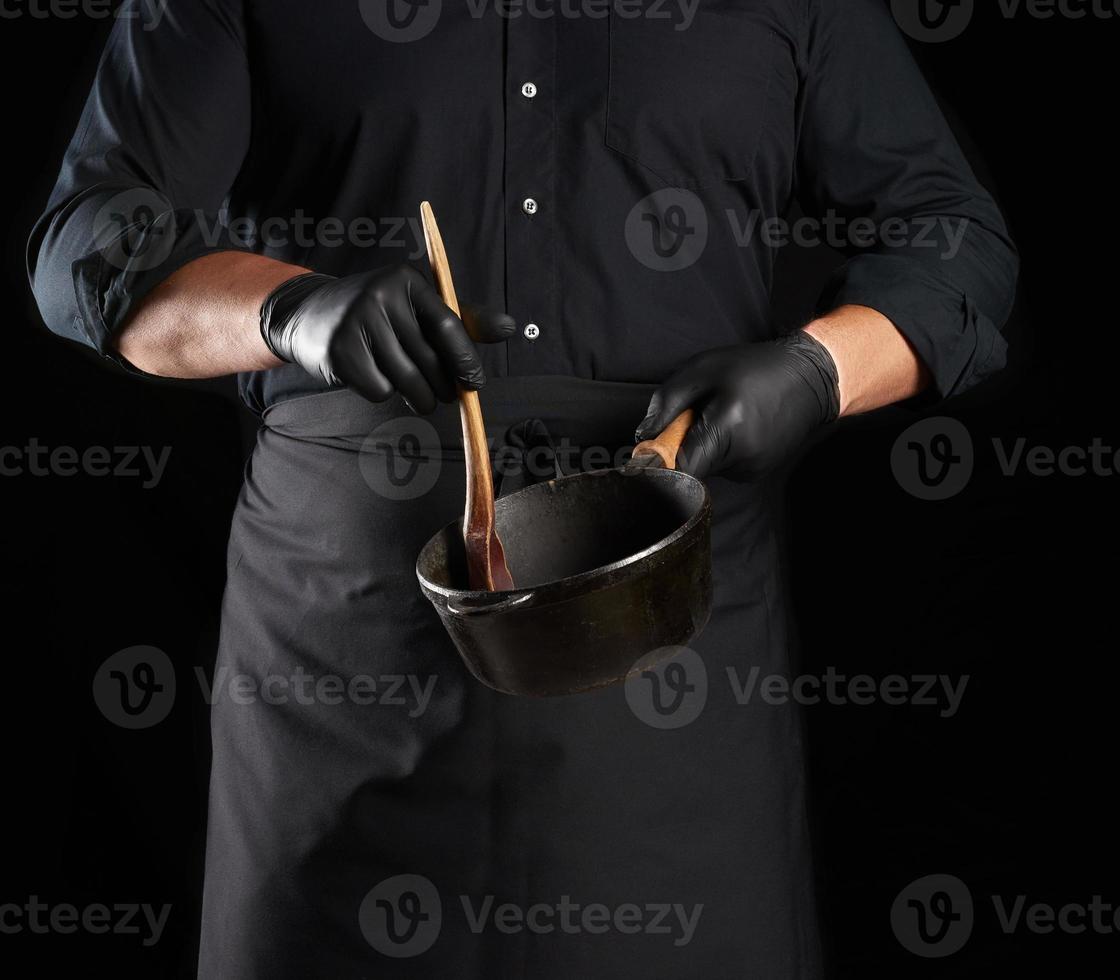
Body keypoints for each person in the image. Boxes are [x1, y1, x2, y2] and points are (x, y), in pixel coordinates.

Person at [28, 1, 1017, 976]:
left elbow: (954, 241)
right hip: (339, 644)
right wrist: (296, 312)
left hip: (663, 650)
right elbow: (86, 241)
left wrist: (816, 369)